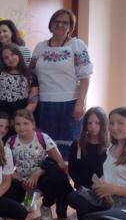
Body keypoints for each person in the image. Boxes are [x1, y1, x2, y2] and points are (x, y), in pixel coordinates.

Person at [69, 107, 126, 220]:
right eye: (112, 123)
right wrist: (101, 183)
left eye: (120, 123)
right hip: (109, 197)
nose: (114, 127)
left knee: (91, 217)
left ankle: (107, 218)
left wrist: (114, 189)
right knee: (74, 197)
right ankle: (104, 216)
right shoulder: (111, 148)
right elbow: (110, 173)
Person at [30, 9, 93, 158]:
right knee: (46, 147)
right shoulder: (40, 47)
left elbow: (85, 76)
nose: (60, 25)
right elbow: (31, 74)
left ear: (70, 26)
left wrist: (80, 103)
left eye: (65, 22)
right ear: (50, 24)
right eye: (56, 21)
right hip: (44, 104)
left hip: (69, 103)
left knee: (69, 148)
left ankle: (69, 173)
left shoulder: (77, 46)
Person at [4, 109, 73, 220]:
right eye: (18, 124)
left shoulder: (43, 138)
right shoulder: (11, 142)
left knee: (54, 179)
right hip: (22, 181)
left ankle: (46, 206)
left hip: (41, 178)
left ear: (33, 124)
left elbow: (60, 163)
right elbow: (8, 170)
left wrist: (39, 172)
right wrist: (21, 180)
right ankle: (29, 197)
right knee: (12, 196)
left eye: (25, 123)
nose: (21, 127)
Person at [0, 43, 39, 120]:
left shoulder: (31, 76)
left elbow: (33, 101)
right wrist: (1, 117)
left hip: (24, 117)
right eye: (6, 58)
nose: (10, 59)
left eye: (12, 55)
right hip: (2, 116)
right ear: (3, 61)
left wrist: (21, 118)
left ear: (19, 54)